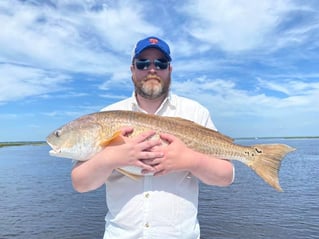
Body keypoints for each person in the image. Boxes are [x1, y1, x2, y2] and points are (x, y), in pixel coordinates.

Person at [71, 36, 234, 239]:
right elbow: (80, 183)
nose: (152, 69)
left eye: (160, 63)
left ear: (169, 70)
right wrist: (111, 158)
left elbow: (226, 176)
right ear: (132, 70)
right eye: (143, 63)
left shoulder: (195, 112)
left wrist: (190, 160)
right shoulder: (108, 116)